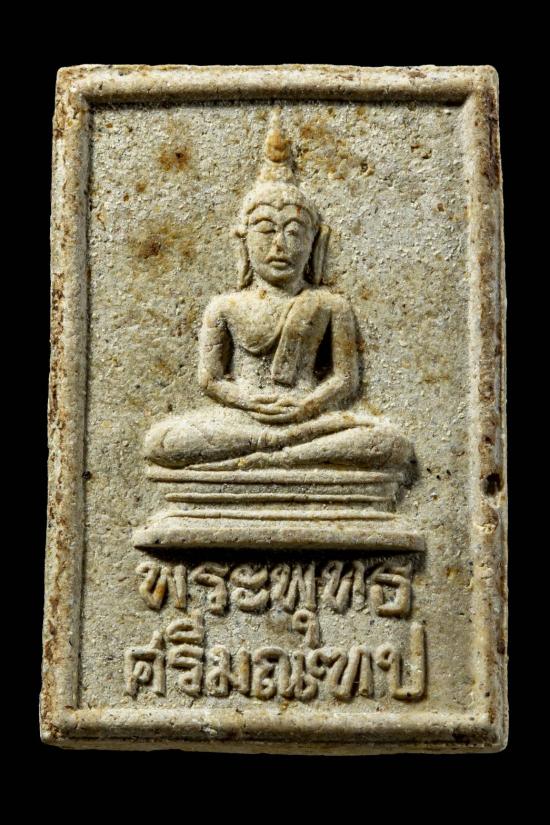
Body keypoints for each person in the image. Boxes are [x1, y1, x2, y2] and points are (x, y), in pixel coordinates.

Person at [145, 112, 413, 475]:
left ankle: (269, 456)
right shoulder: (225, 307)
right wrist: (249, 401)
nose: (280, 245)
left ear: (316, 243)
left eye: (294, 231)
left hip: (309, 418)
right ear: (243, 241)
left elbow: (345, 380)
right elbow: (210, 380)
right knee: (163, 441)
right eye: (265, 230)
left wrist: (307, 407)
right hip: (243, 420)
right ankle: (279, 450)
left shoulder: (330, 305)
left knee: (389, 443)